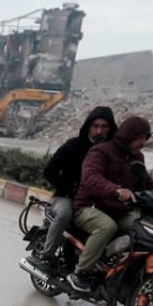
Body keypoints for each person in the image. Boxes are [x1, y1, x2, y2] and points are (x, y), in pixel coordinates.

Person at [67, 115, 153, 293]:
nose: (143, 142)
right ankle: (81, 272)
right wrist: (115, 190)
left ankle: (123, 269)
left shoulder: (137, 157)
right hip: (87, 207)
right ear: (129, 135)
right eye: (140, 138)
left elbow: (146, 181)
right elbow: (91, 177)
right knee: (107, 227)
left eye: (146, 138)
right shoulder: (100, 151)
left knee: (143, 225)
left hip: (117, 211)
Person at [30, 106, 118, 272]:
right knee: (64, 215)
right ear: (88, 126)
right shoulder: (74, 145)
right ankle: (46, 256)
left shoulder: (111, 152)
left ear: (111, 128)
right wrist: (70, 187)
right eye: (95, 126)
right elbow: (49, 171)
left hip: (94, 202)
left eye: (104, 126)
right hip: (66, 198)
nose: (99, 130)